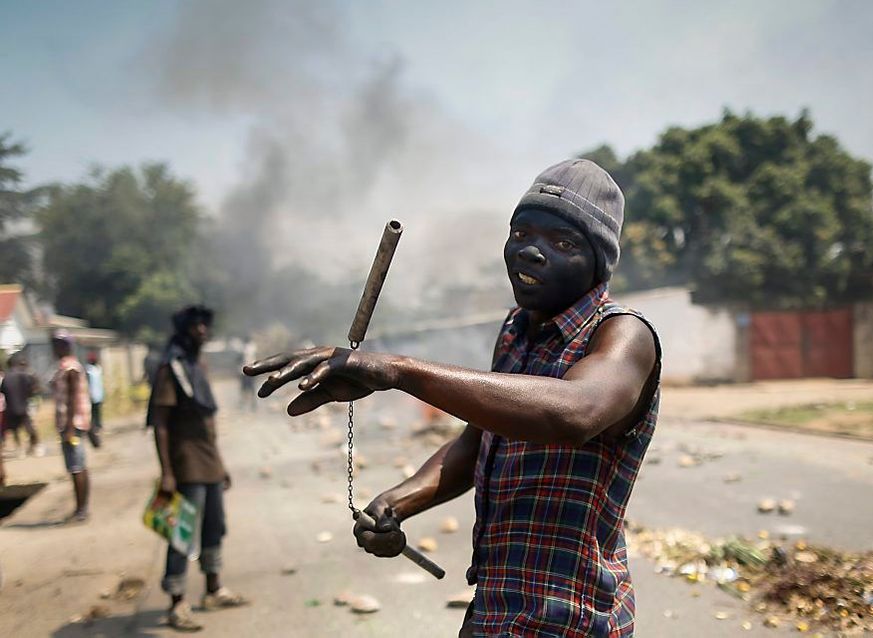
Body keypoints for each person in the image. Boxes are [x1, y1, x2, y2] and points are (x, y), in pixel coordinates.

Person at [246, 159, 661, 637]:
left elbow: (575, 411)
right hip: (497, 611)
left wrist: (396, 370)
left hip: (570, 618)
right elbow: (477, 444)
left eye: (562, 243)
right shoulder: (516, 333)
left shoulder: (623, 334)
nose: (531, 252)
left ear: (599, 262)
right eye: (521, 232)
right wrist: (397, 502)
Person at [148, 305, 248, 632]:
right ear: (184, 330)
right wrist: (167, 472)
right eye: (196, 326)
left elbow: (208, 423)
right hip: (185, 462)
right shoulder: (171, 369)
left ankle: (213, 589)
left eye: (205, 325)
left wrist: (220, 464)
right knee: (182, 532)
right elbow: (160, 423)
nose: (202, 330)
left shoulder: (196, 366)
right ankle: (177, 603)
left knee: (214, 526)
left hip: (208, 462)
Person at [50, 331, 92, 522]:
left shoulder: (71, 369)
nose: (54, 348)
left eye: (57, 344)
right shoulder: (63, 367)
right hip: (69, 424)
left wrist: (69, 428)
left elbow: (74, 399)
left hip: (72, 425)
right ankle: (80, 508)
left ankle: (82, 509)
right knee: (75, 466)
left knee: (77, 466)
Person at [1, 352, 42, 457]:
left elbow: (3, 391)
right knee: (29, 427)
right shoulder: (24, 375)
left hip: (11, 407)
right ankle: (36, 446)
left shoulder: (6, 378)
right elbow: (31, 389)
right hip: (23, 406)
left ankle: (20, 449)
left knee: (15, 430)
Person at [84, 351, 105, 448]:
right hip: (91, 395)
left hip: (99, 394)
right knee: (91, 413)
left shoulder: (98, 369)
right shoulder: (88, 370)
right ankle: (94, 428)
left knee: (98, 412)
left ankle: (98, 426)